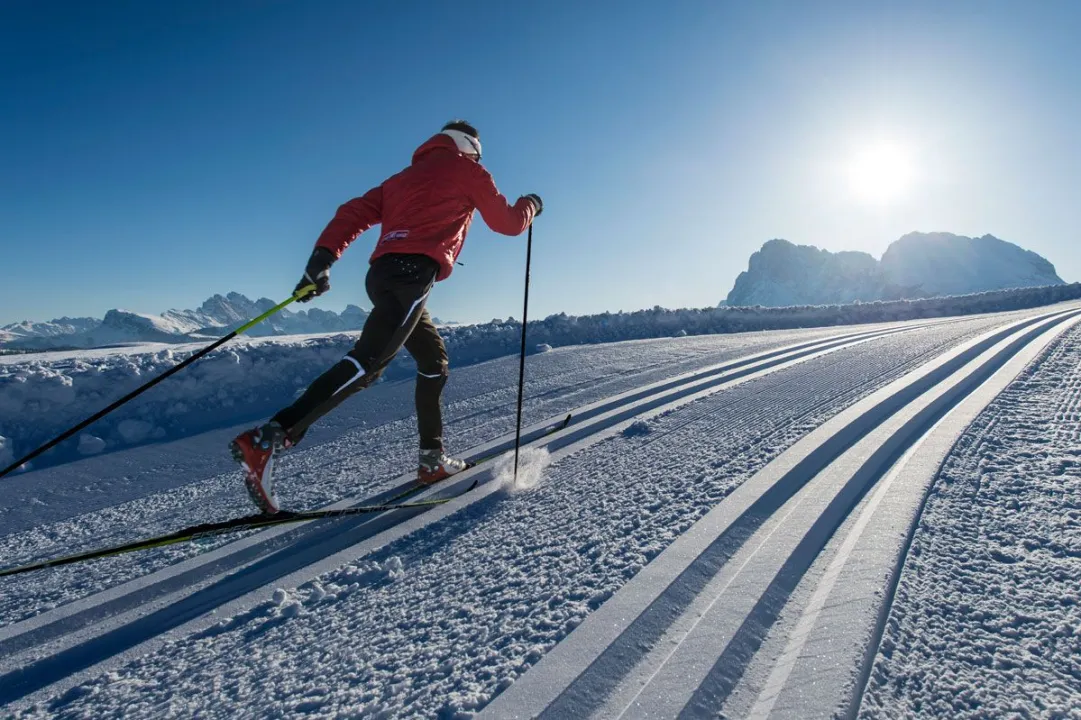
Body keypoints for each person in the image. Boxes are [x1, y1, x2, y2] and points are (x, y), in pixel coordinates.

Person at [229, 120, 542, 513]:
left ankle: (431, 460)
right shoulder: (467, 169)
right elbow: (509, 224)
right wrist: (531, 204)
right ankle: (270, 438)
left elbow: (351, 213)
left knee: (433, 362)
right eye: (479, 154)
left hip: (382, 276)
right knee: (369, 363)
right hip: (412, 276)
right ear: (470, 149)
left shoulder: (401, 179)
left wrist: (321, 260)